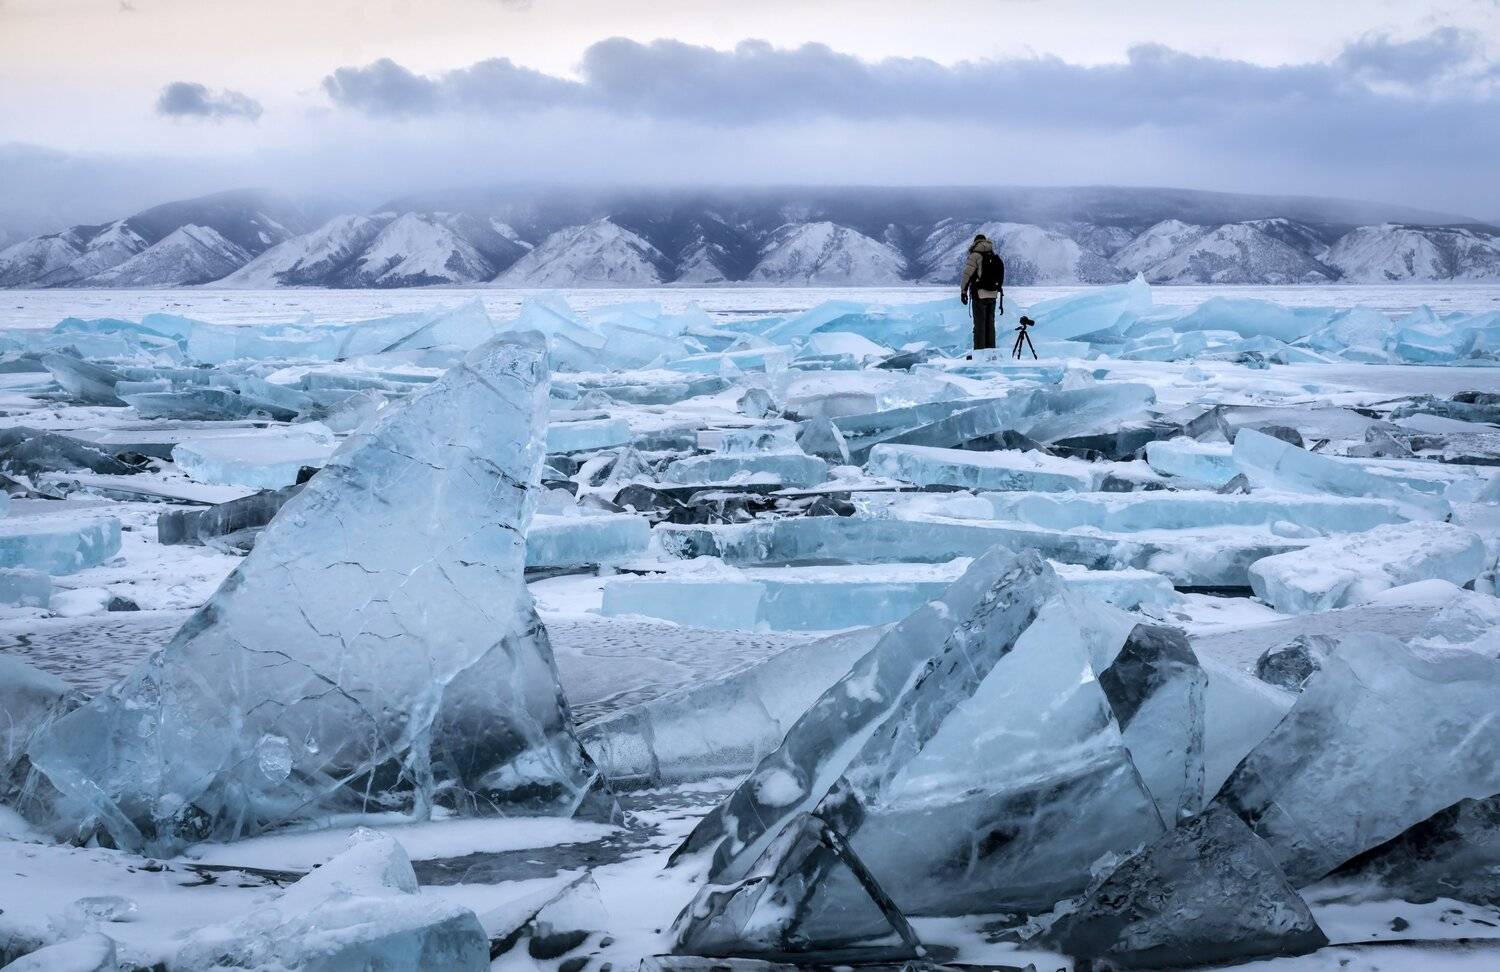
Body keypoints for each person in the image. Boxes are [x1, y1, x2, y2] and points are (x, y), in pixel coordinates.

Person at [959, 233, 1004, 353]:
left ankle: (979, 354)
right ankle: (991, 353)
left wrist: (963, 291)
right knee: (990, 325)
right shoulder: (993, 255)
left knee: (979, 326)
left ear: (976, 242)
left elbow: (967, 275)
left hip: (979, 295)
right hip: (993, 294)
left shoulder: (975, 255)